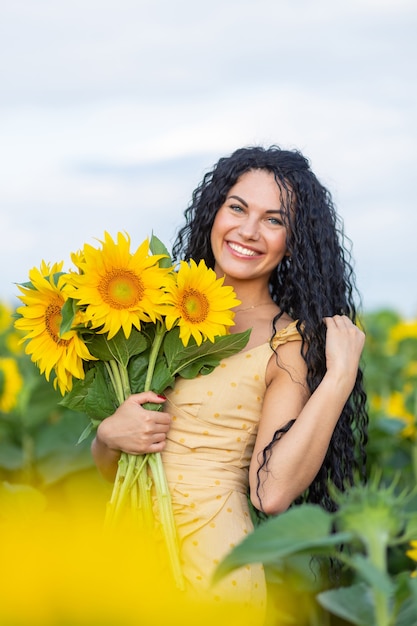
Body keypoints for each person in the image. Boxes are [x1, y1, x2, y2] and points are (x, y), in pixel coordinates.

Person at [91, 145, 368, 621]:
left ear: (293, 240)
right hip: (126, 550)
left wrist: (338, 378)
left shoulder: (287, 344)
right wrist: (108, 436)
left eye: (273, 220)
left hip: (214, 567)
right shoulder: (155, 306)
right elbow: (116, 470)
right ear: (214, 211)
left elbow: (272, 493)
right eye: (237, 207)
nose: (248, 231)